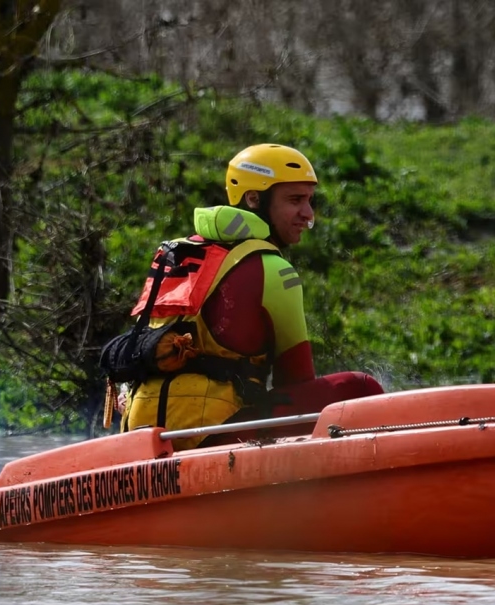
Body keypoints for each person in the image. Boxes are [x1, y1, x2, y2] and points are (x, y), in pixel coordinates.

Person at [117, 144, 383, 448]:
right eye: (295, 200)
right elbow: (294, 379)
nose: (308, 215)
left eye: (310, 200)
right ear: (254, 199)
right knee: (358, 387)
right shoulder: (272, 268)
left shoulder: (171, 253)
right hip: (212, 437)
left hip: (142, 436)